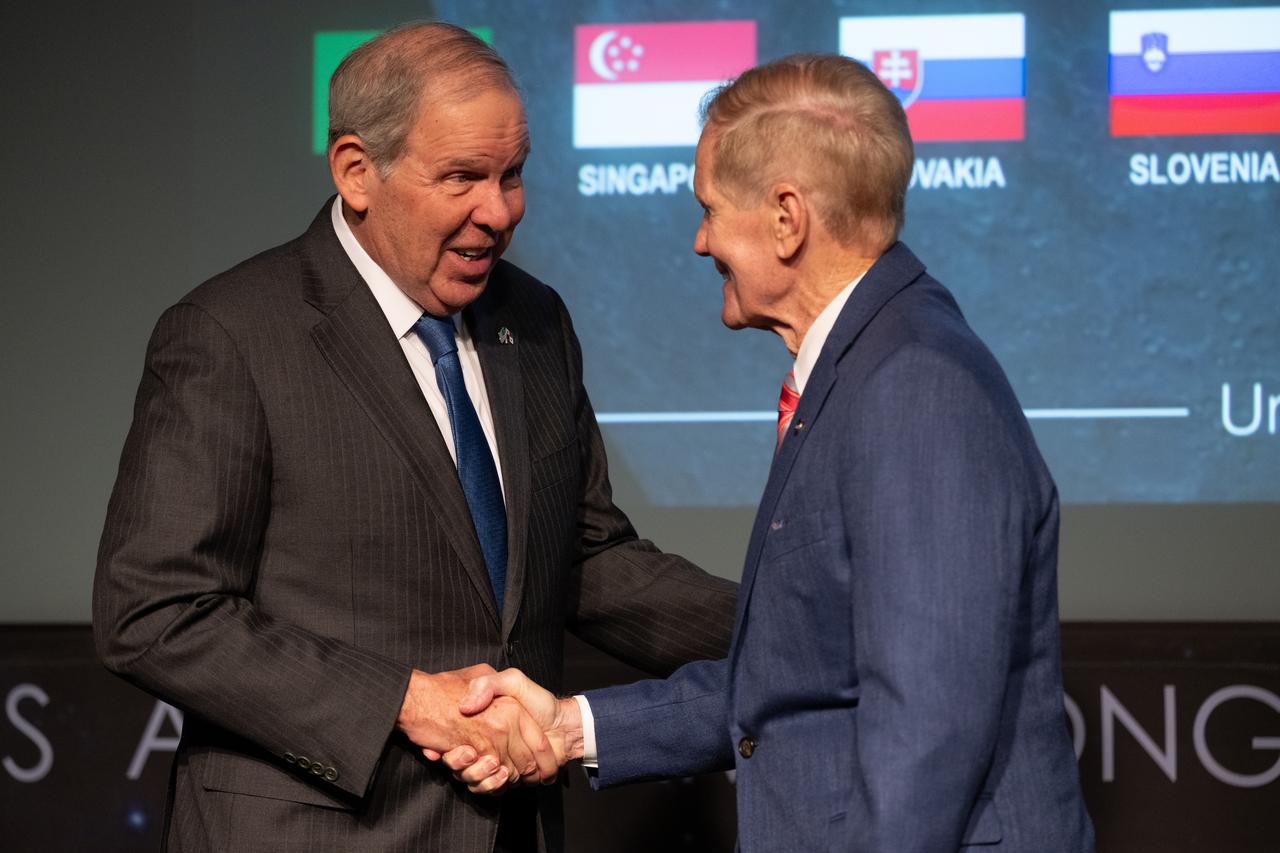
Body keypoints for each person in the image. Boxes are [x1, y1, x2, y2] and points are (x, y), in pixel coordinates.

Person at [91, 22, 736, 853]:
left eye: (513, 176)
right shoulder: (233, 334)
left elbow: (583, 560)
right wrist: (402, 698)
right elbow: (153, 610)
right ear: (357, 172)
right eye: (463, 177)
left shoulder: (534, 321)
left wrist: (793, 623)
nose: (498, 212)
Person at [448, 54, 1096, 852]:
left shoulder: (915, 384)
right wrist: (572, 726)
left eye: (710, 208)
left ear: (787, 217)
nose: (699, 240)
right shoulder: (865, 366)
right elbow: (804, 675)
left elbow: (928, 725)